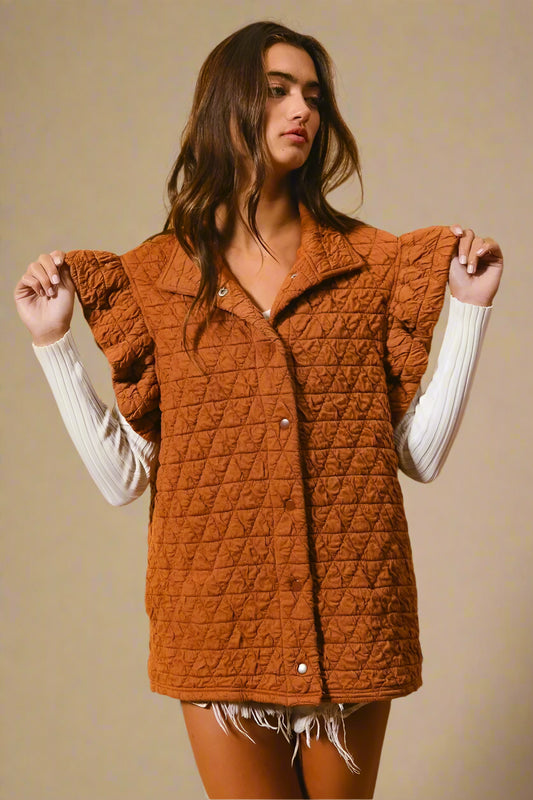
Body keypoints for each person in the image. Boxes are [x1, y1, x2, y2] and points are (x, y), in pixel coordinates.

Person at [14, 21, 503, 800]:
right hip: (216, 621)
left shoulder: (371, 266)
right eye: (276, 91)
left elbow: (417, 454)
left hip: (350, 610)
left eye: (311, 94)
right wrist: (52, 346)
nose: (300, 109)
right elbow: (123, 480)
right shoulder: (153, 278)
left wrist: (469, 313)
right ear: (227, 105)